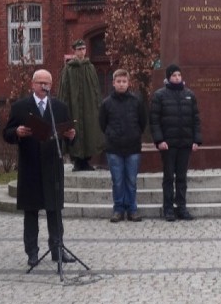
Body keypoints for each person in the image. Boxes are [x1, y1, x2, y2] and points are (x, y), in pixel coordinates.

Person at [4, 68, 77, 266]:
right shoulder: (21, 107)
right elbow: (7, 133)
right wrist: (17, 132)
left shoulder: (59, 107)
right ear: (33, 84)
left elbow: (69, 133)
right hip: (30, 165)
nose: (44, 87)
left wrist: (71, 136)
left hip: (52, 164)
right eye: (40, 83)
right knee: (31, 211)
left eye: (47, 84)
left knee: (54, 210)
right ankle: (32, 252)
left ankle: (57, 249)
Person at [150, 64, 202, 221]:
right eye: (174, 75)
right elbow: (155, 121)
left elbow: (196, 120)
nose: (177, 78)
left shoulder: (189, 95)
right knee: (168, 177)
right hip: (168, 144)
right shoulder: (160, 95)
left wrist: (196, 140)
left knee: (181, 177)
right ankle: (168, 209)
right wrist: (159, 140)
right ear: (168, 77)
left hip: (185, 143)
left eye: (179, 75)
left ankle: (181, 207)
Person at [99, 69, 147, 222]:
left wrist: (135, 134)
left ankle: (132, 209)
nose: (121, 84)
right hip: (114, 148)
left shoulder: (136, 101)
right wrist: (112, 135)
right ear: (113, 83)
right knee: (118, 181)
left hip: (133, 147)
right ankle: (118, 209)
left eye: (124, 81)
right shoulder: (106, 103)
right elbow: (102, 124)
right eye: (118, 81)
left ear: (128, 83)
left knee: (131, 180)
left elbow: (142, 122)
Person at [58, 39, 103, 171]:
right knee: (74, 130)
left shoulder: (90, 68)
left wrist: (97, 104)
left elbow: (95, 88)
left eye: (83, 49)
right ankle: (77, 161)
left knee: (89, 130)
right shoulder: (68, 69)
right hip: (74, 107)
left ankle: (86, 161)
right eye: (79, 49)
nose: (82, 52)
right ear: (74, 51)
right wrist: (63, 107)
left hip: (89, 107)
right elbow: (64, 90)